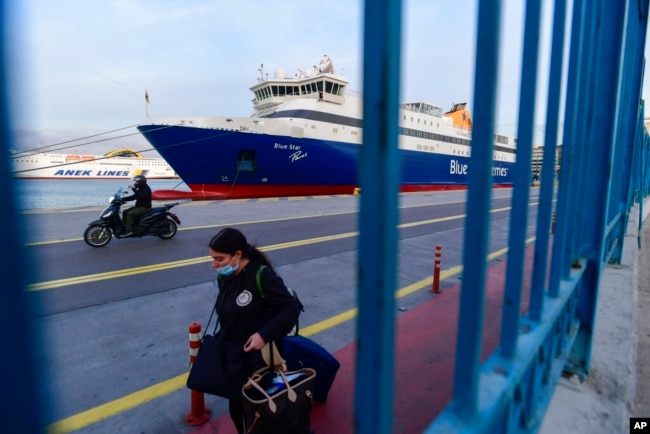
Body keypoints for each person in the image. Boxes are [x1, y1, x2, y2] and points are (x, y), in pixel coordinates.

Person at [208, 227, 301, 434]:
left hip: (259, 361)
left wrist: (264, 335)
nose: (214, 264)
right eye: (212, 258)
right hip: (234, 359)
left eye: (219, 259)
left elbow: (290, 309)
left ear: (237, 255)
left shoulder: (262, 276)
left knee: (260, 411)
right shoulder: (225, 277)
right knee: (237, 411)